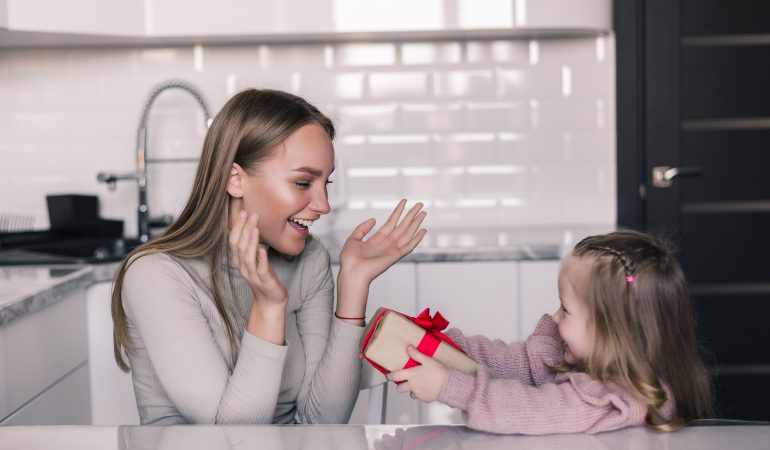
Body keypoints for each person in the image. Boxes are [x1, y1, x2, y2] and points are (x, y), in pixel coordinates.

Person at [111, 88, 427, 425]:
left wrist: (353, 284)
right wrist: (269, 307)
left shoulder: (310, 260)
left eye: (326, 183)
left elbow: (321, 423)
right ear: (236, 180)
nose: (323, 205)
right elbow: (232, 437)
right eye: (304, 182)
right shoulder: (155, 275)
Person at [389, 229, 712, 434]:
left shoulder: (614, 399)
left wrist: (450, 387)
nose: (554, 318)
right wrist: (449, 347)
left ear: (614, 332)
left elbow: (529, 410)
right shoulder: (582, 358)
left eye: (566, 310)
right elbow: (513, 361)